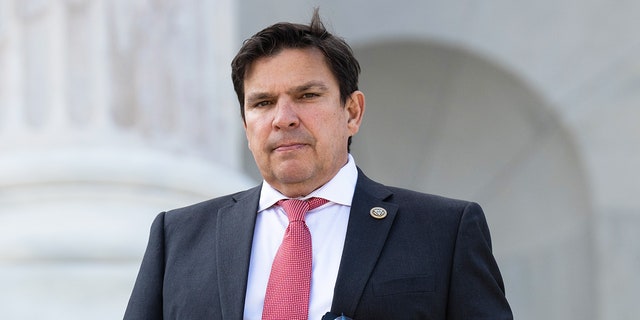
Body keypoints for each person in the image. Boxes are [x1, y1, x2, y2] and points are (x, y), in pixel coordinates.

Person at [124, 8, 513, 320]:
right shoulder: (176, 237)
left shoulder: (444, 232)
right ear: (245, 124)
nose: (283, 118)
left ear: (352, 111)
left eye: (307, 95)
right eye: (262, 103)